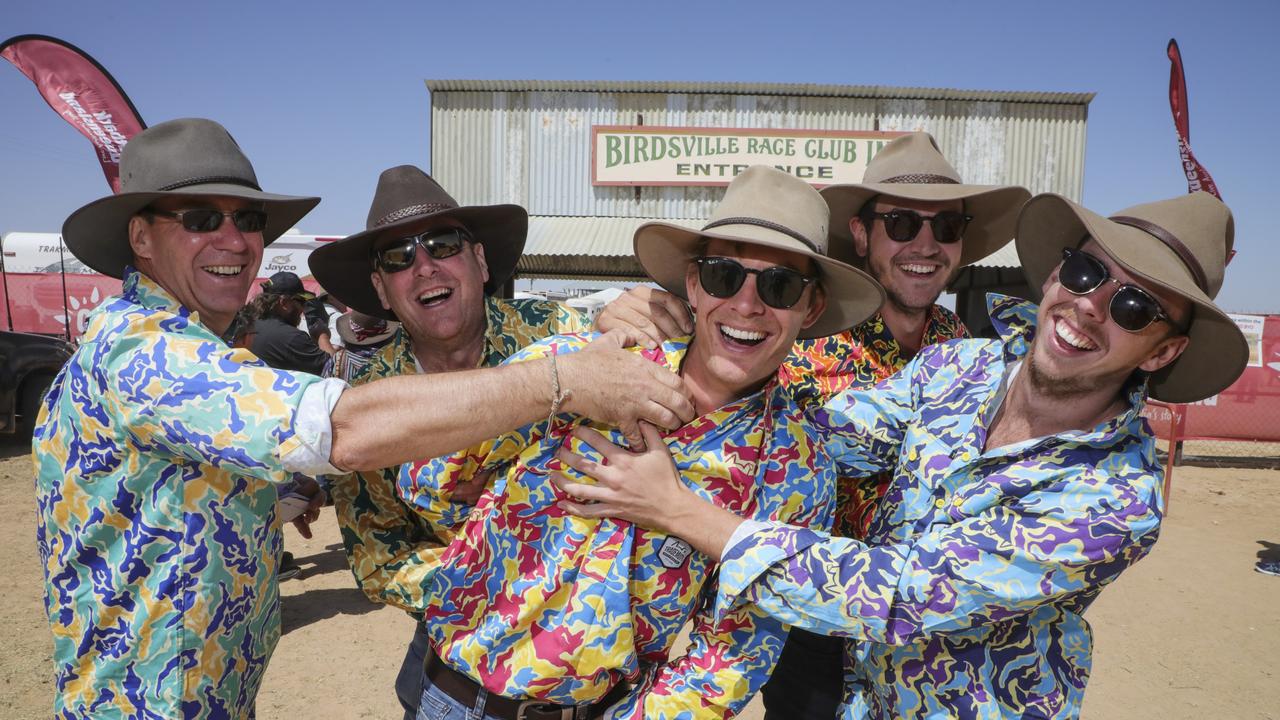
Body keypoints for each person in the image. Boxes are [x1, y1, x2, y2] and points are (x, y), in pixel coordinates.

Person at [32, 118, 694, 719]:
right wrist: (499, 572)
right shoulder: (143, 352)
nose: (234, 239)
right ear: (141, 238)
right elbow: (348, 451)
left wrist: (637, 321)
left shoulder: (569, 335)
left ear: (480, 260)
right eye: (202, 217)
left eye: (249, 219)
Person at [556, 191, 1247, 719]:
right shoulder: (961, 367)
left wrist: (675, 508)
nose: (1091, 306)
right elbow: (820, 437)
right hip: (850, 694)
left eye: (1133, 306)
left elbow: (899, 594)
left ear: (1162, 350)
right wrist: (673, 349)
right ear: (1057, 274)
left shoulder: (1115, 502)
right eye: (1088, 270)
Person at [397, 165, 885, 720]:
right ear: (696, 285)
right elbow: (429, 482)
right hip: (447, 695)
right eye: (726, 276)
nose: (747, 305)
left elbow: (735, 649)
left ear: (811, 307)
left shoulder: (795, 471)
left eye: (780, 285)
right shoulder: (583, 364)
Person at [597, 131, 1031, 719]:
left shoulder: (963, 352)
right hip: (802, 621)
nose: (924, 245)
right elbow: (698, 381)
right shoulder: (783, 334)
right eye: (902, 224)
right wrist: (630, 318)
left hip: (920, 636)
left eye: (946, 228)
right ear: (861, 232)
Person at [307, 164, 591, 719]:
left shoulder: (556, 333)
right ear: (381, 290)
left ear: (480, 262)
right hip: (461, 664)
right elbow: (380, 559)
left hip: (594, 660)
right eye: (398, 258)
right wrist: (499, 571)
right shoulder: (369, 403)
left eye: (442, 243)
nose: (424, 266)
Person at [247, 270, 331, 375]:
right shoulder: (291, 337)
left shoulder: (247, 326)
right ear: (284, 303)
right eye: (301, 301)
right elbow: (335, 371)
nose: (303, 308)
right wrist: (322, 336)